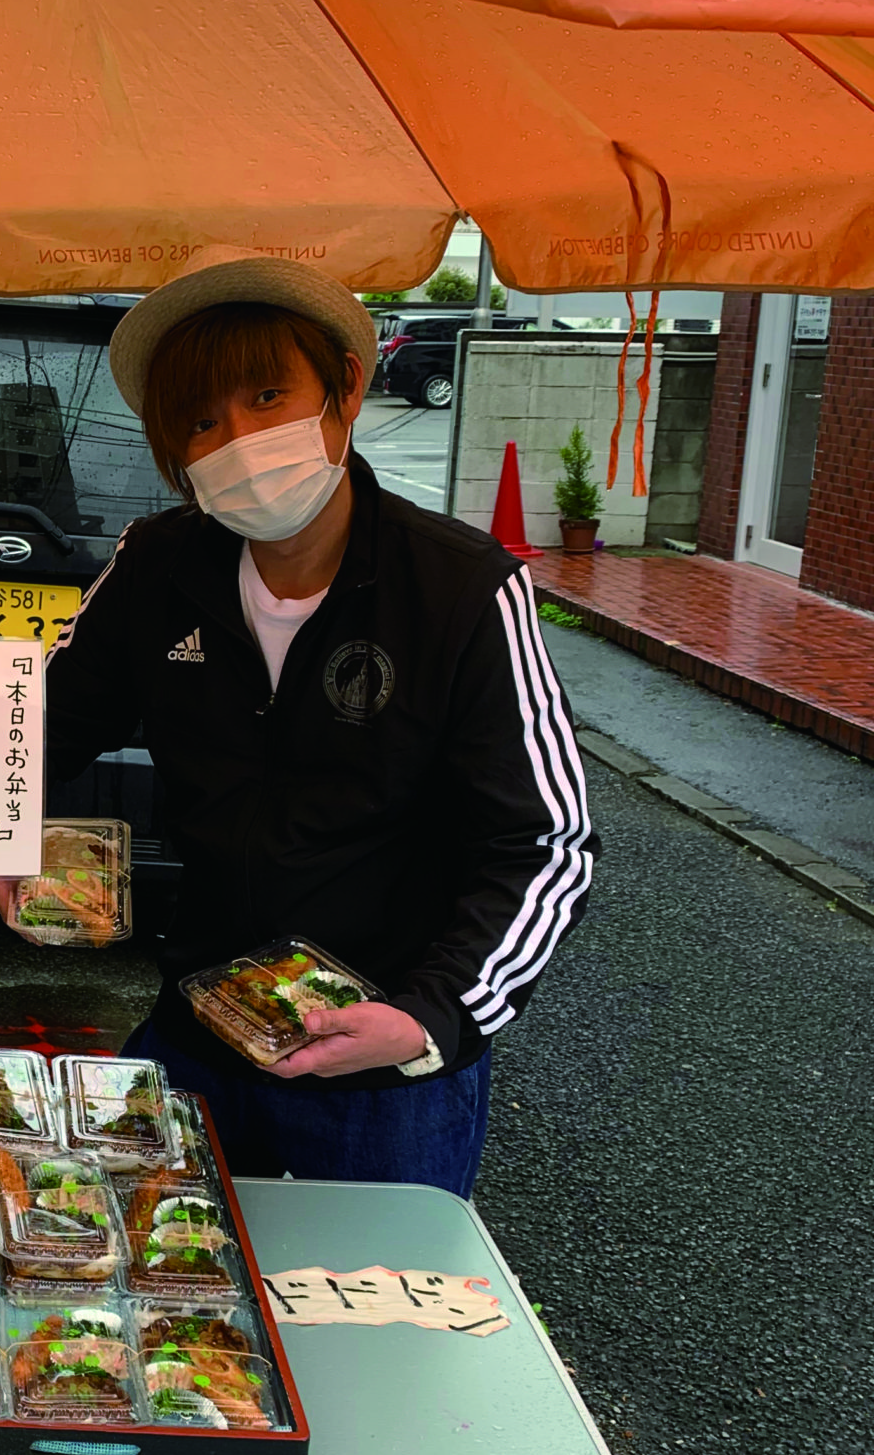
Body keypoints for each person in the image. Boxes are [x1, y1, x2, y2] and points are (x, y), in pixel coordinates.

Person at [30, 258, 597, 1205]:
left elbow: (546, 844)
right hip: (197, 1038)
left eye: (267, 395)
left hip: (384, 1078)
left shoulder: (462, 588)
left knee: (373, 1333)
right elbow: (38, 732)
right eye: (203, 421)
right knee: (155, 1314)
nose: (240, 441)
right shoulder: (158, 565)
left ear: (345, 386)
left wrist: (431, 1018)